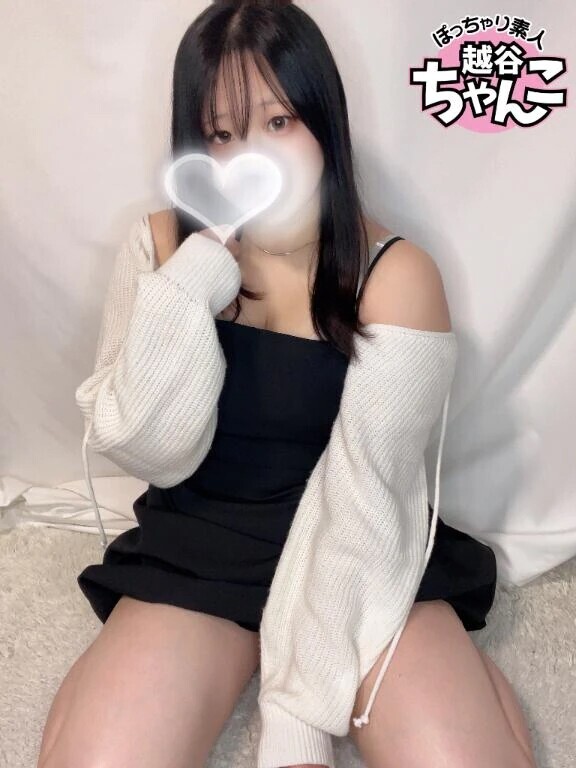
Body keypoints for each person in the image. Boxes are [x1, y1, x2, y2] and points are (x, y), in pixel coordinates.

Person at [37, 2, 536, 767]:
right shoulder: (160, 245)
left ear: (322, 120)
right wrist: (193, 278)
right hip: (202, 545)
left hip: (359, 551)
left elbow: (365, 495)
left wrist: (297, 723)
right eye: (222, 134)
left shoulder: (395, 272)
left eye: (278, 122)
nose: (252, 160)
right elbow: (151, 450)